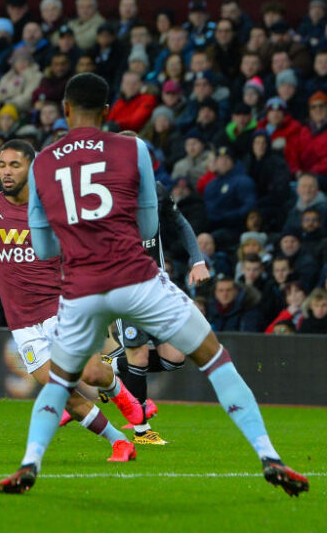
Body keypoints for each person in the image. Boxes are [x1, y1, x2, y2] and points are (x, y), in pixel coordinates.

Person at [0, 73, 308, 496]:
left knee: (60, 382)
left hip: (81, 288)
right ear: (108, 112)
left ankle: (30, 463)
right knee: (216, 360)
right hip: (136, 278)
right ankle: (268, 455)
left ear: (65, 109)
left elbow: (46, 248)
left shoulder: (44, 162)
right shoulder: (133, 147)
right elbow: (146, 224)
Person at [0, 139, 143, 462]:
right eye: (2, 165)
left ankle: (119, 391)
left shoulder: (55, 206)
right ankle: (119, 441)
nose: (6, 172)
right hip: (22, 322)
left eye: (14, 165)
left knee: (91, 373)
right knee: (62, 394)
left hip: (61, 308)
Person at [105, 133, 212, 445]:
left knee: (174, 358)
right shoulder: (102, 197)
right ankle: (141, 431)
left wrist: (197, 260)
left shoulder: (157, 191)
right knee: (138, 355)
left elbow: (180, 225)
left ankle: (114, 365)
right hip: (125, 285)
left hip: (156, 285)